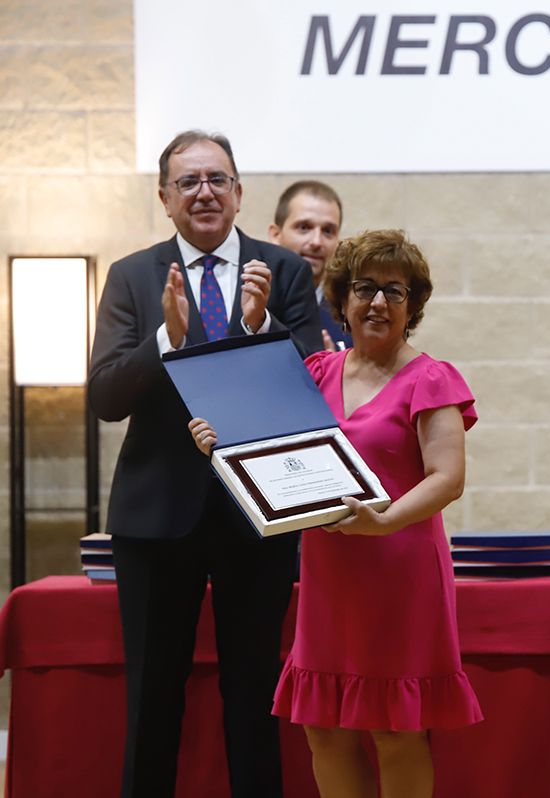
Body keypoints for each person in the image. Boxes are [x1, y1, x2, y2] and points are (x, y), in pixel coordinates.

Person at [191, 229, 482, 798]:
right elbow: (269, 452)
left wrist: (385, 520)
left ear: (412, 306)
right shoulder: (319, 370)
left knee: (395, 729)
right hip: (331, 575)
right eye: (365, 288)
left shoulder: (432, 378)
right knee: (323, 728)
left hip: (400, 573)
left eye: (394, 292)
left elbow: (448, 479)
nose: (378, 302)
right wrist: (218, 443)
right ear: (343, 300)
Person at [87, 130, 323, 797]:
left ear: (240, 192)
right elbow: (105, 397)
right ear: (164, 199)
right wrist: (168, 337)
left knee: (254, 697)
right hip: (157, 517)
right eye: (187, 182)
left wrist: (255, 328)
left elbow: (313, 393)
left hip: (258, 513)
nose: (204, 193)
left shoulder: (285, 271)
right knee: (153, 698)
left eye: (217, 179)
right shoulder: (132, 276)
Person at [268, 180, 350, 350]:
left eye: (328, 231)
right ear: (276, 234)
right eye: (304, 227)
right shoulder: (253, 304)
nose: (316, 242)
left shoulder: (351, 315)